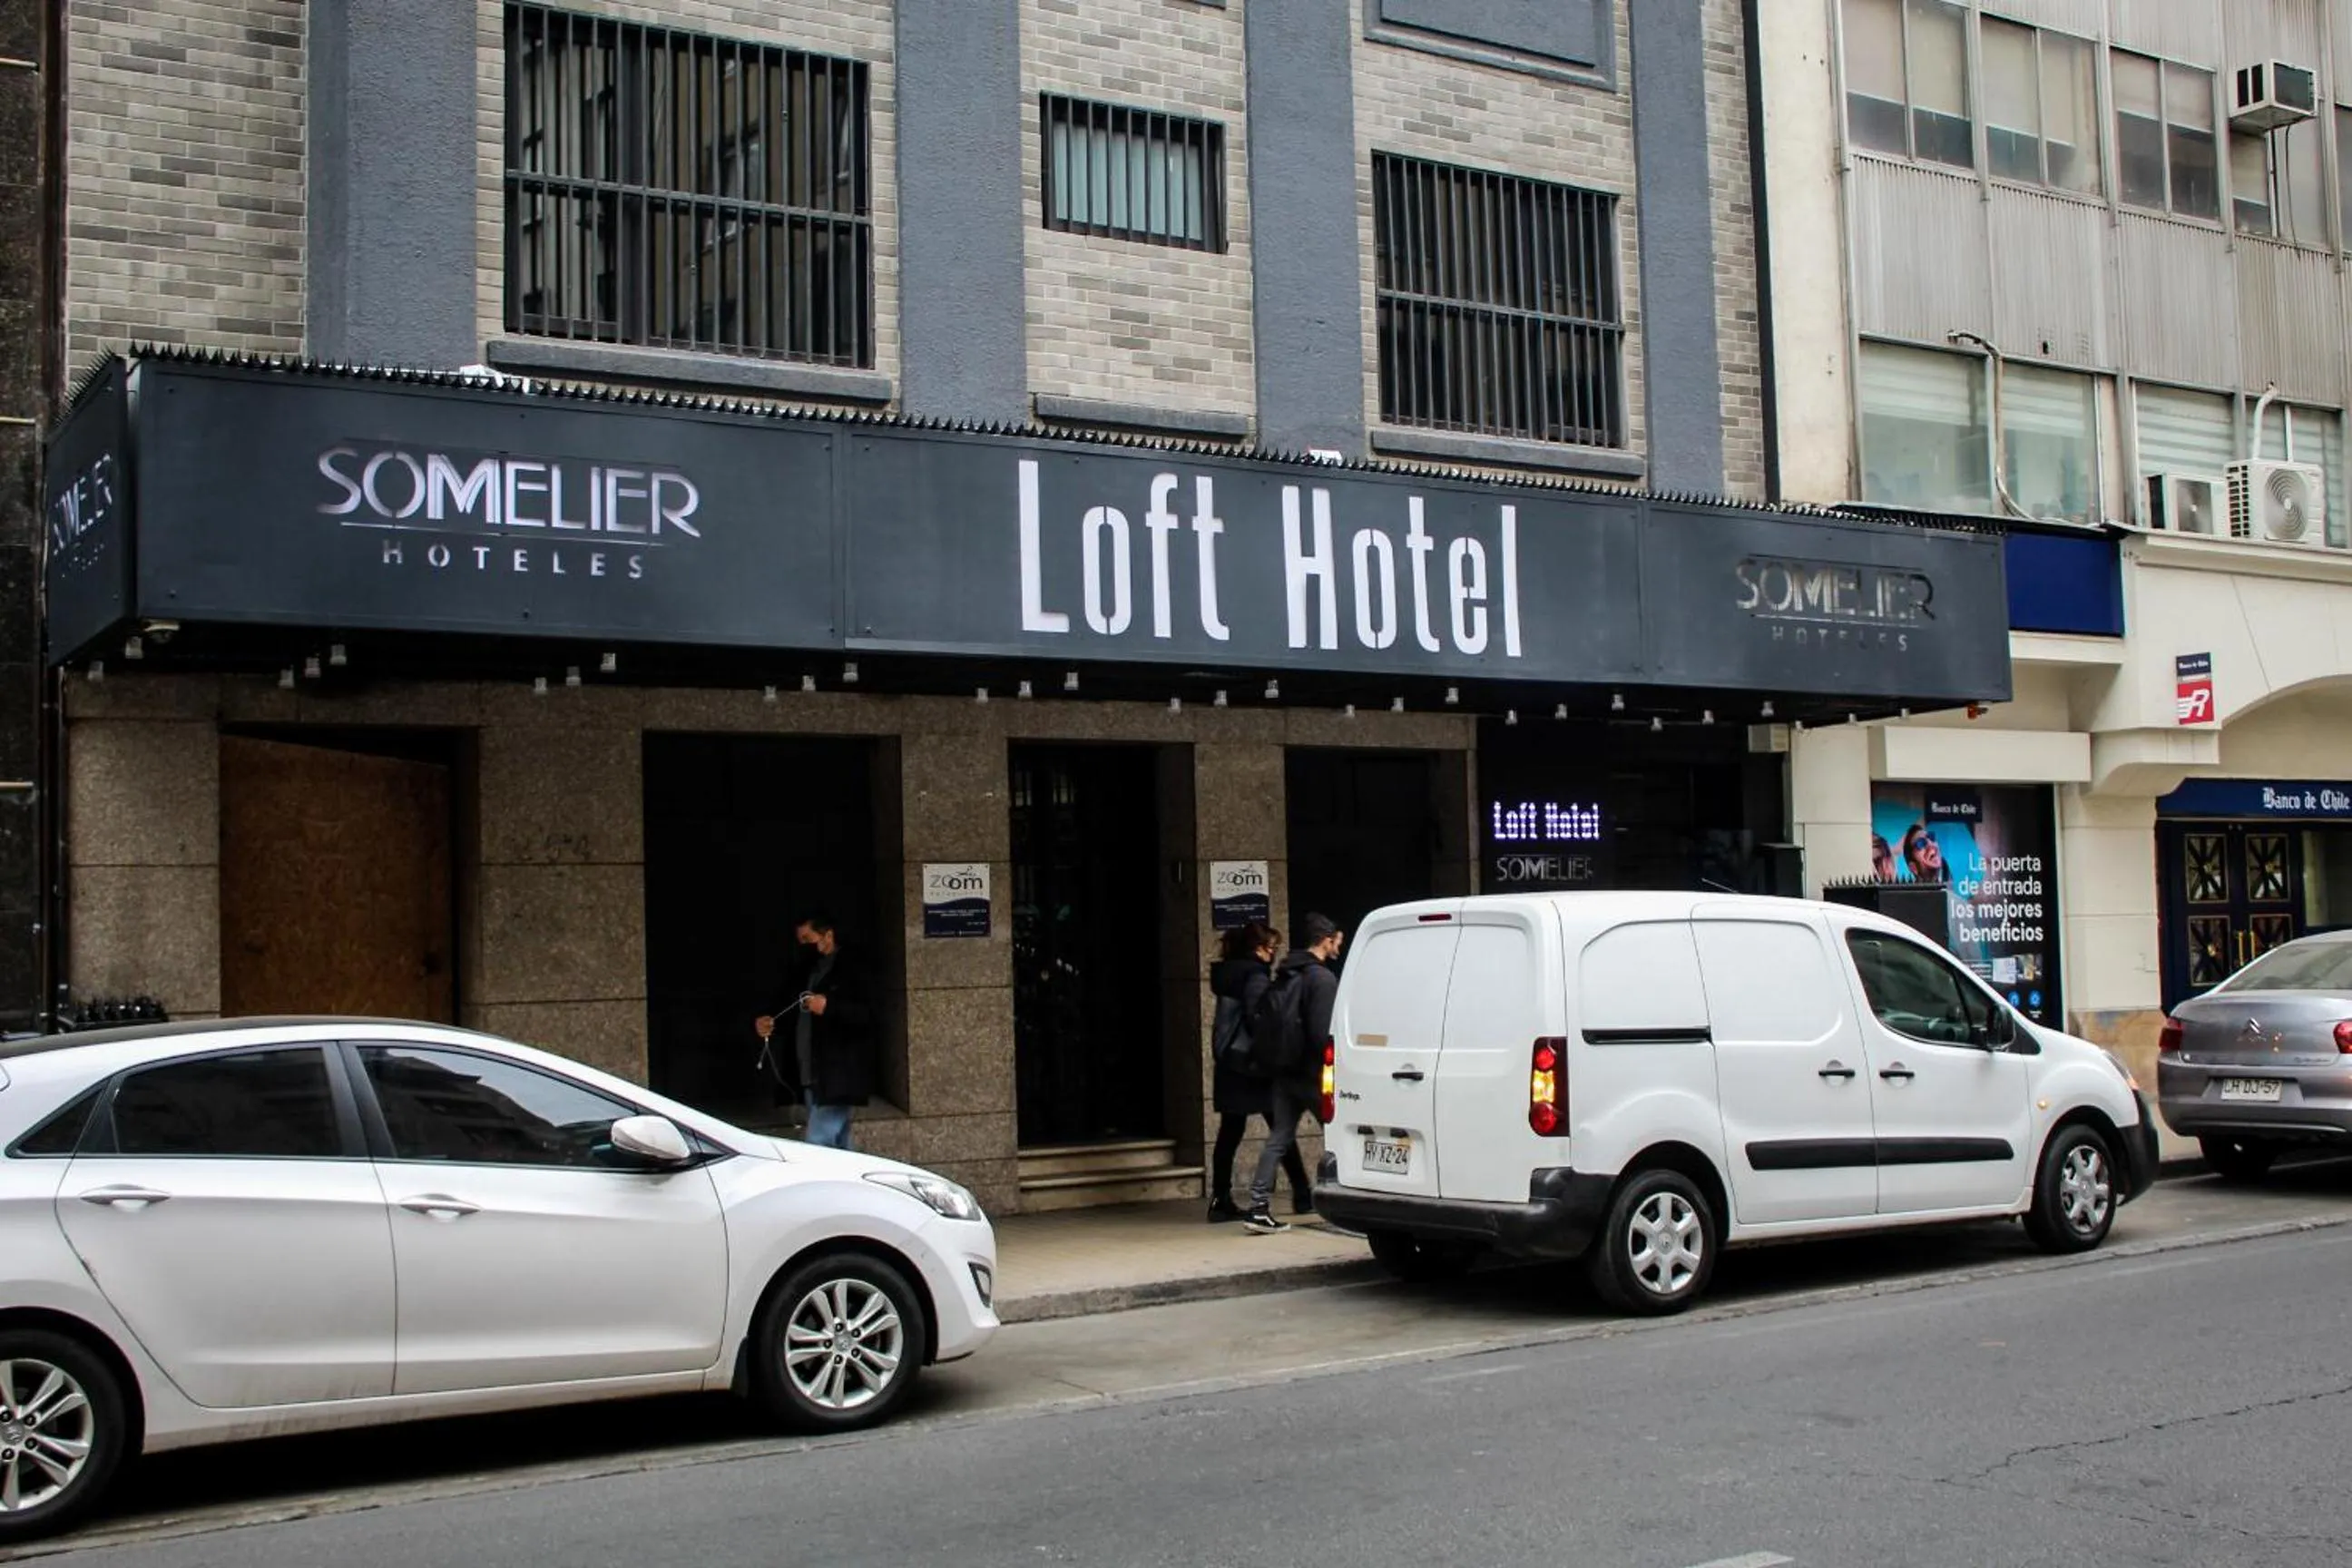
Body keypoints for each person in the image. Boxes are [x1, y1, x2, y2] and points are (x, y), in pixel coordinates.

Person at [1206, 922, 1311, 1224]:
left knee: (1230, 1133)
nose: (1274, 954)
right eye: (1272, 948)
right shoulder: (1254, 974)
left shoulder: (1226, 973)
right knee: (1282, 1128)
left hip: (1231, 1064)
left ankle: (1220, 1198)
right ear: (1258, 949)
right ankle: (1302, 1193)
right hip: (1254, 1065)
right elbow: (1258, 1017)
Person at [1246, 913, 1344, 1235]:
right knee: (1340, 1135)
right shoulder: (1323, 979)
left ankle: (1258, 1206)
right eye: (1337, 941)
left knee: (1278, 1139)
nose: (1339, 947)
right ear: (1326, 940)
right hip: (1313, 1074)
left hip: (1285, 1070)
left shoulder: (1287, 971)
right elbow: (1321, 1033)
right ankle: (1347, 1202)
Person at [755, 913, 874, 1150]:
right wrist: (771, 1023)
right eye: (800, 941)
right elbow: (789, 1011)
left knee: (818, 1142)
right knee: (838, 1141)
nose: (804, 946)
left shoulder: (853, 968)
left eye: (808, 939)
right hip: (810, 1069)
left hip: (839, 1070)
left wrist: (830, 1007)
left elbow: (867, 1013)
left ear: (828, 935)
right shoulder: (807, 971)